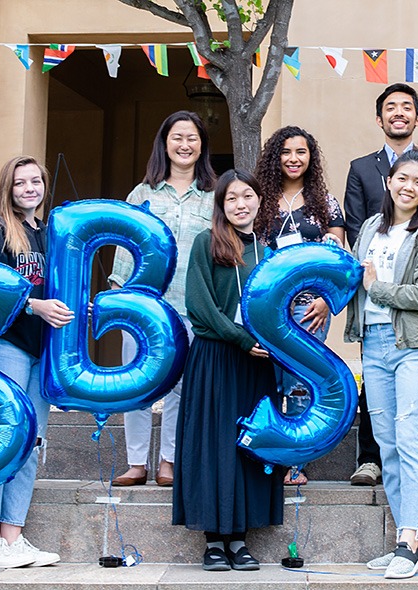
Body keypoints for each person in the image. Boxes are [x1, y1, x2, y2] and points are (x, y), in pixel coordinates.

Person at [344, 84, 418, 486]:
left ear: (417, 118)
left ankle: (411, 524)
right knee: (376, 398)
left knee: (408, 422)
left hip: (412, 288)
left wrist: (401, 273)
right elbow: (357, 225)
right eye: (390, 107)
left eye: (407, 107)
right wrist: (370, 270)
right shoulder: (361, 167)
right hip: (373, 296)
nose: (399, 113)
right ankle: (369, 458)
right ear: (380, 118)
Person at [175, 168, 282, 571]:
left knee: (247, 446)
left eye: (247, 197)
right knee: (213, 444)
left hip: (256, 363)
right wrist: (239, 338)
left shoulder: (268, 250)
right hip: (217, 356)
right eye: (232, 198)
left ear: (258, 201)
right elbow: (199, 306)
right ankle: (213, 541)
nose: (241, 204)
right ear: (221, 205)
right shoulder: (207, 243)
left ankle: (239, 539)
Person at [345, 150, 418, 579]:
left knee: (412, 438)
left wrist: (378, 288)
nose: (409, 187)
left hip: (415, 347)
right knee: (386, 442)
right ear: (389, 181)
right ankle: (412, 544)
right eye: (403, 178)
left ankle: (409, 536)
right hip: (375, 344)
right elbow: (355, 281)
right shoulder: (370, 227)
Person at [0, 157, 72, 568]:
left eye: (36, 181)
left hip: (41, 351)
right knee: (2, 440)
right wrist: (35, 306)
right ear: (8, 189)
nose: (29, 188)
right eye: (20, 182)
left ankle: (13, 537)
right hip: (7, 346)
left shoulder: (48, 233)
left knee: (31, 445)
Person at [109, 111, 216, 488]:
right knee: (137, 384)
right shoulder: (143, 194)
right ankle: (136, 462)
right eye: (177, 138)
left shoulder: (214, 196)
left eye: (192, 138)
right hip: (143, 305)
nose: (184, 145)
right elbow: (127, 243)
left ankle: (168, 461)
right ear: (165, 143)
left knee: (180, 388)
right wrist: (119, 292)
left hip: (191, 306)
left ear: (201, 145)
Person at [255, 126, 345, 485]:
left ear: (311, 158)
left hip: (310, 309)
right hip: (266, 309)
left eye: (301, 152)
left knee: (301, 381)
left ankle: (294, 460)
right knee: (268, 378)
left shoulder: (326, 202)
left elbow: (338, 260)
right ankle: (266, 452)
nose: (294, 159)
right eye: (286, 152)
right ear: (275, 157)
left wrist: (327, 302)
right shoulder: (260, 199)